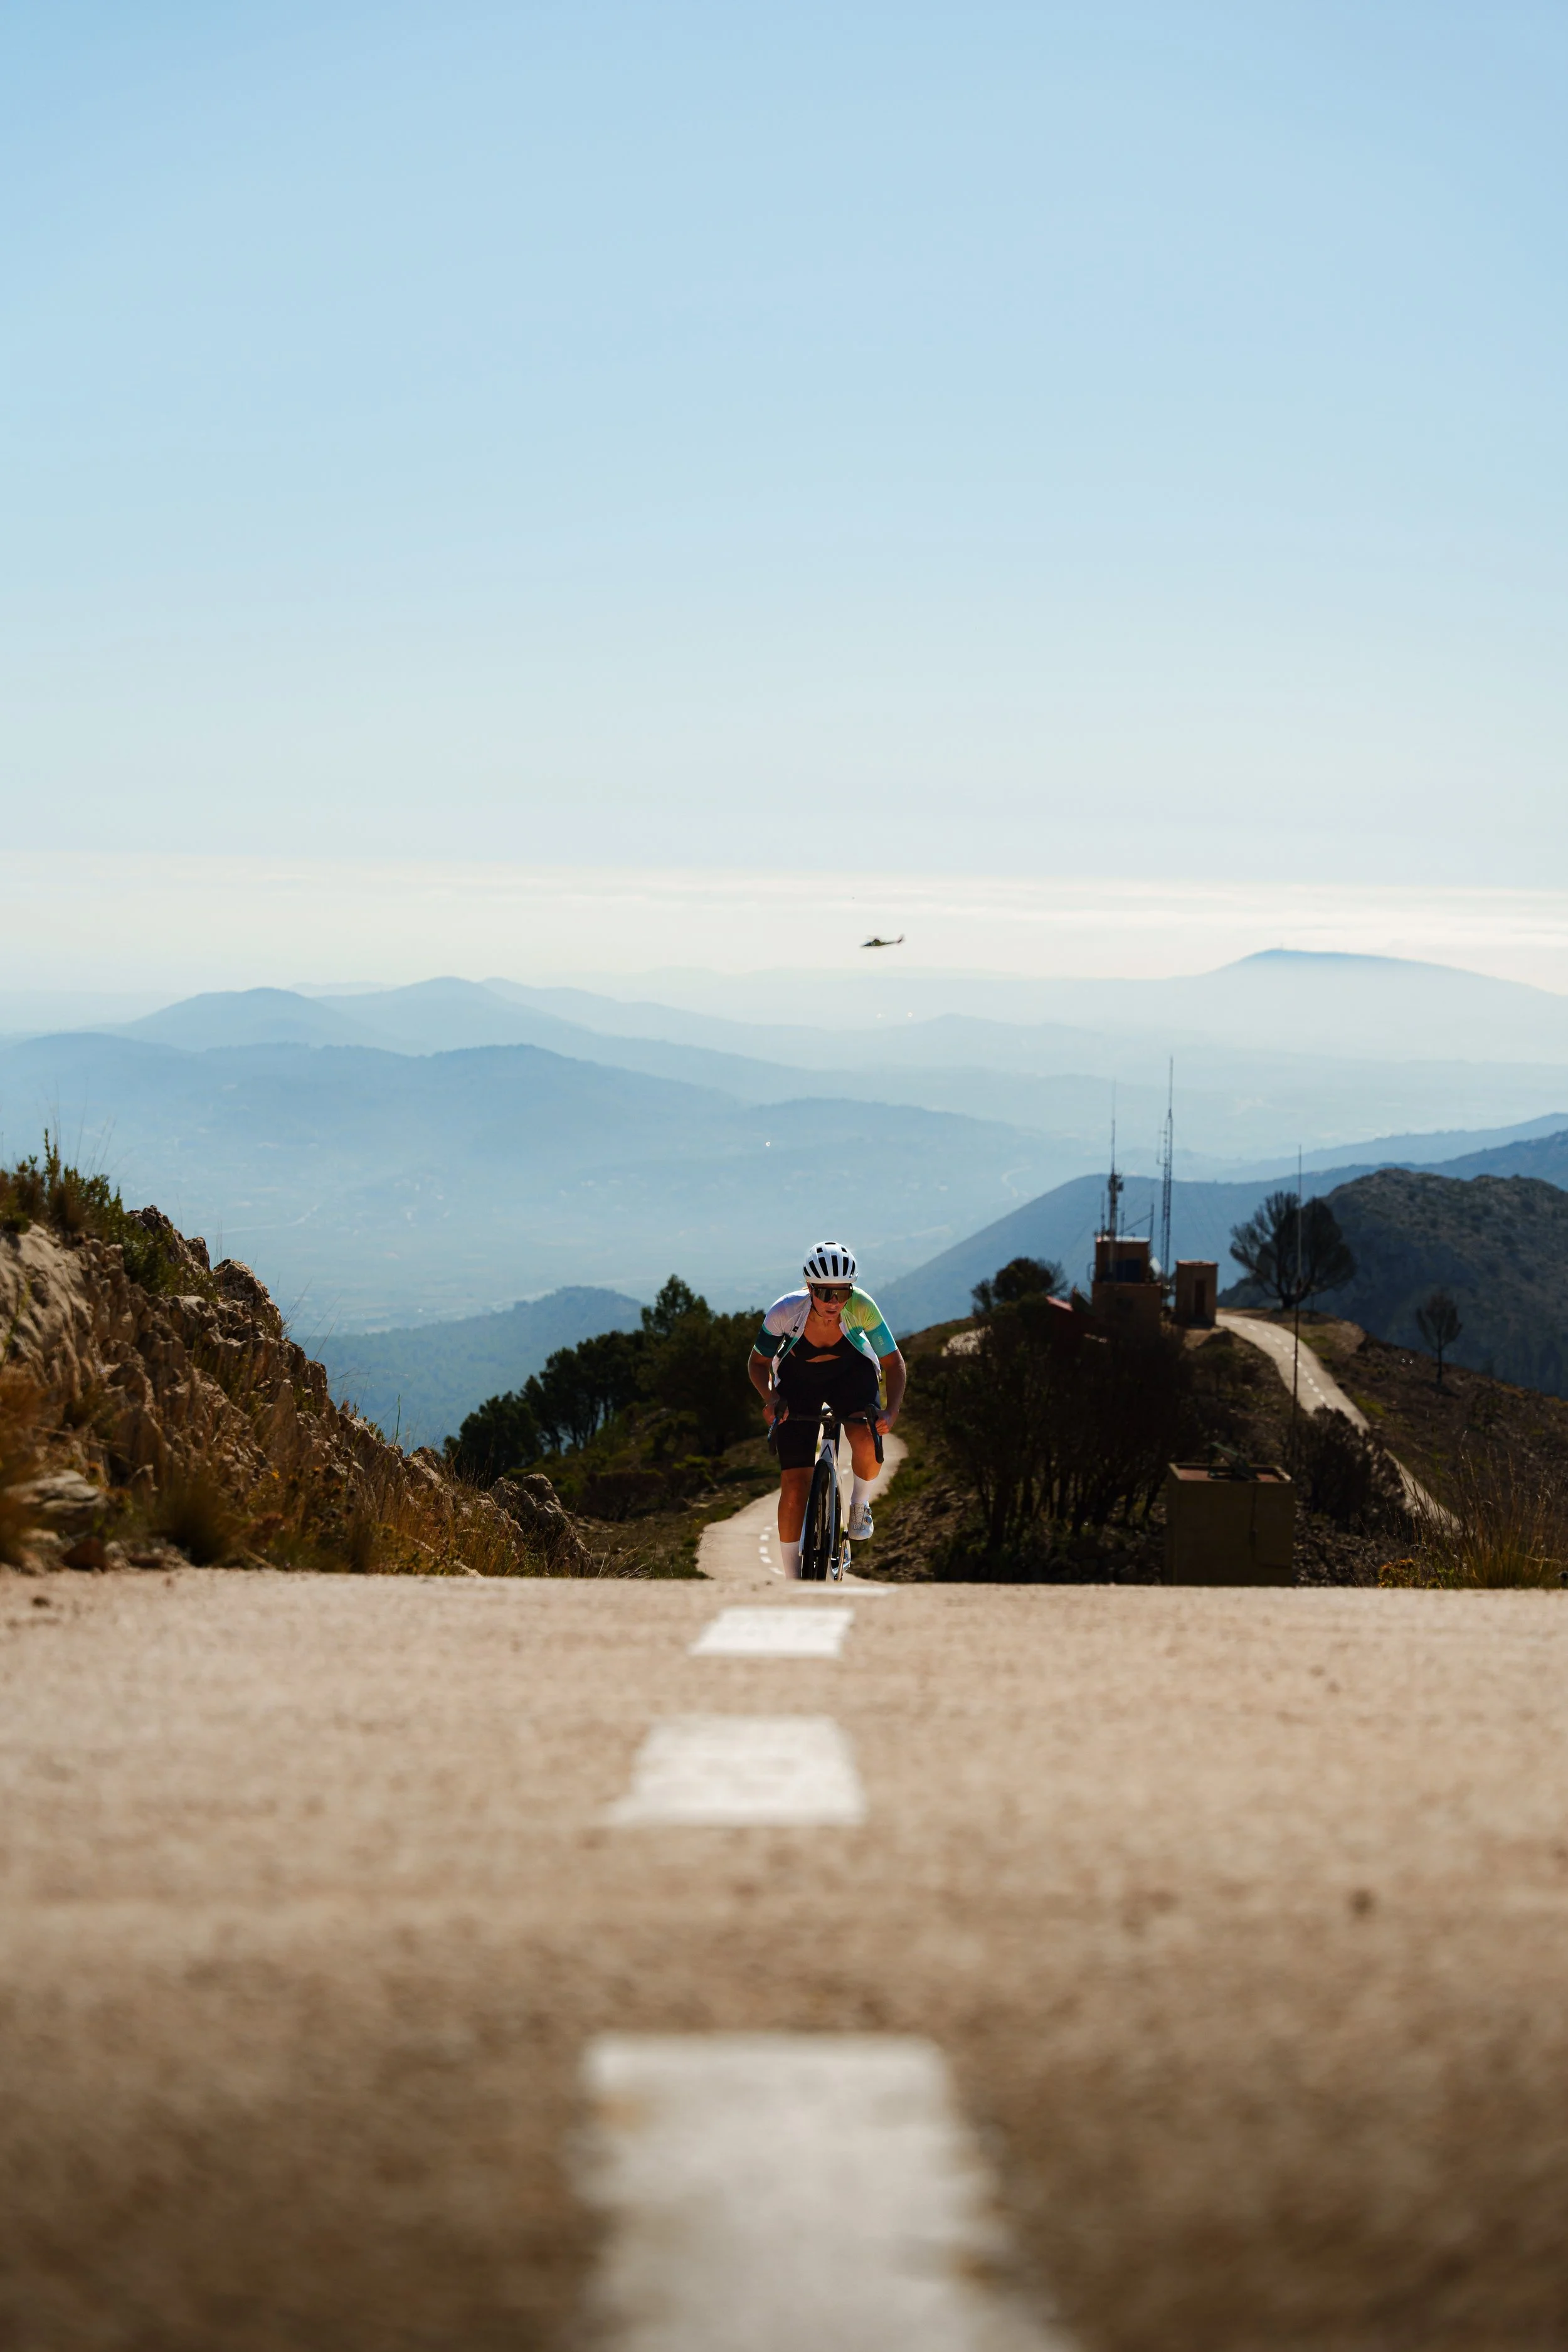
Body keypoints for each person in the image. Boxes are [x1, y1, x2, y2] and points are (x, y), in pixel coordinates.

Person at [748, 1241, 906, 1577]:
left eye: (842, 1293)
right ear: (809, 1287)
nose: (834, 1303)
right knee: (794, 1485)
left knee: (866, 1437)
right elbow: (757, 1363)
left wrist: (891, 1412)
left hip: (851, 1377)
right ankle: (793, 1581)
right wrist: (772, 1399)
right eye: (824, 1292)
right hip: (798, 1382)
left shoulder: (862, 1307)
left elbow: (894, 1363)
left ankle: (860, 1504)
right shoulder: (785, 1312)